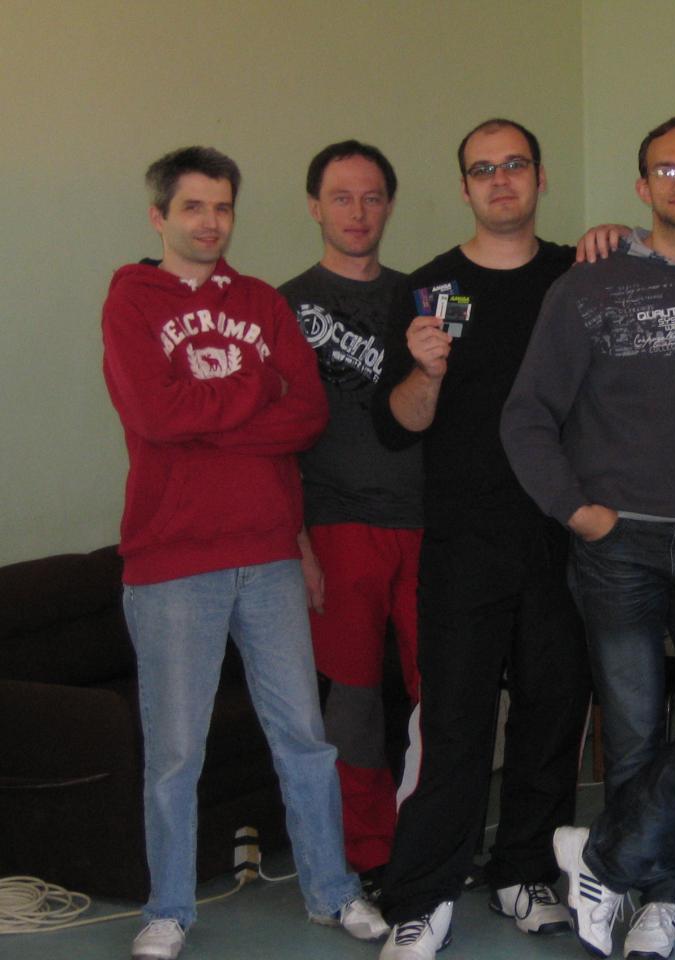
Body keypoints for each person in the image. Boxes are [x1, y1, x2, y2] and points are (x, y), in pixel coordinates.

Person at [501, 116, 675, 960]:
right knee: (633, 737)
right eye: (665, 169)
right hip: (616, 544)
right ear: (642, 185)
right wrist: (576, 510)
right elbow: (526, 416)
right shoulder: (590, 286)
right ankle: (664, 901)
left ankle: (602, 856)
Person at [101, 146, 385, 960]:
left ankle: (333, 891)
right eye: (193, 207)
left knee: (304, 737)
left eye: (222, 207)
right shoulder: (130, 300)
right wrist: (257, 388)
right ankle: (168, 909)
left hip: (267, 556)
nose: (210, 222)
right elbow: (154, 416)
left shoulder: (261, 301)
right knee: (175, 755)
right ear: (159, 216)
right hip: (170, 564)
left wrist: (205, 419)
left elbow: (309, 414)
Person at [370, 118, 592, 960]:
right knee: (457, 726)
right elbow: (397, 425)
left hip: (563, 536)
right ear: (464, 187)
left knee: (552, 713)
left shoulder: (580, 275)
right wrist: (426, 372)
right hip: (464, 541)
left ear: (540, 177)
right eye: (483, 169)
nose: (501, 180)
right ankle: (422, 897)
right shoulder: (430, 289)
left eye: (515, 165)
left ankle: (524, 872)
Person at [279, 140, 422, 886]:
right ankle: (368, 853)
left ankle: (431, 841)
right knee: (354, 702)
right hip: (335, 525)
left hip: (428, 524)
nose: (358, 212)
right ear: (314, 207)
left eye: (371, 197)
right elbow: (271, 440)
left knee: (441, 695)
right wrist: (296, 541)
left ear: (389, 205)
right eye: (341, 197)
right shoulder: (281, 307)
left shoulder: (423, 297)